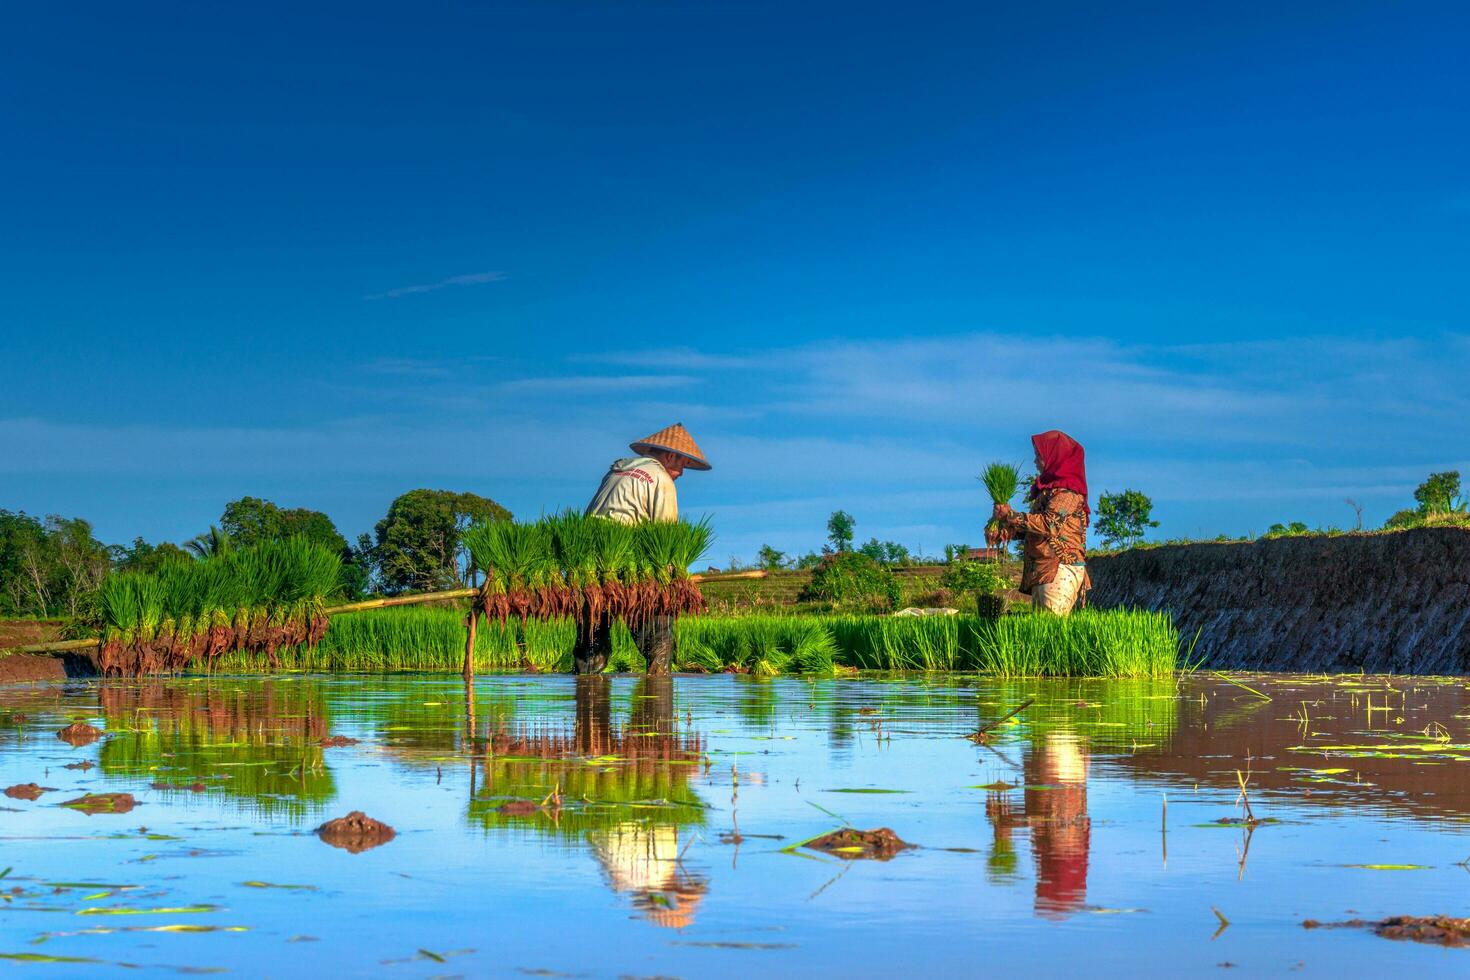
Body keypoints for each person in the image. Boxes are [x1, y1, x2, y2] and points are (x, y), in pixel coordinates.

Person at [578, 423, 711, 674]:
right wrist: (671, 577)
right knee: (658, 634)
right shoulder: (661, 479)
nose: (682, 472)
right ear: (669, 456)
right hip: (629, 563)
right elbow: (664, 536)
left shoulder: (617, 471)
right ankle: (658, 690)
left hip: (590, 563)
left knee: (592, 641)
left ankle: (586, 698)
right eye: (682, 464)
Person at [987, 429, 1091, 615]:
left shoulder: (1067, 492)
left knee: (1050, 630)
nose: (1035, 461)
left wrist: (1011, 515)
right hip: (1045, 569)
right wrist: (1006, 526)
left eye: (1039, 456)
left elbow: (1049, 525)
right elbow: (1036, 530)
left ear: (1055, 457)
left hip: (1059, 569)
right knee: (1042, 629)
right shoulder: (1049, 492)